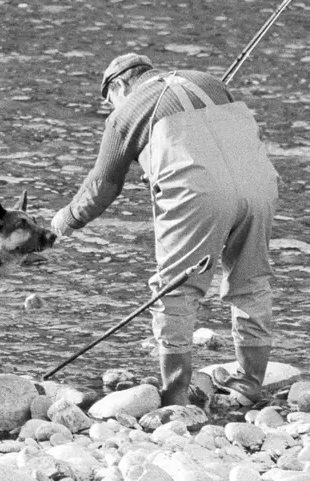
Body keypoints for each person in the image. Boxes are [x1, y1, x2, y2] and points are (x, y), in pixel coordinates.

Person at [50, 53, 279, 407]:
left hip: (198, 194)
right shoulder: (209, 81)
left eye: (108, 99)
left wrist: (62, 223)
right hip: (261, 185)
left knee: (176, 290)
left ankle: (175, 396)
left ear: (120, 85)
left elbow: (102, 187)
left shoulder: (123, 115)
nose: (110, 107)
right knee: (251, 282)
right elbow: (212, 141)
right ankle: (248, 384)